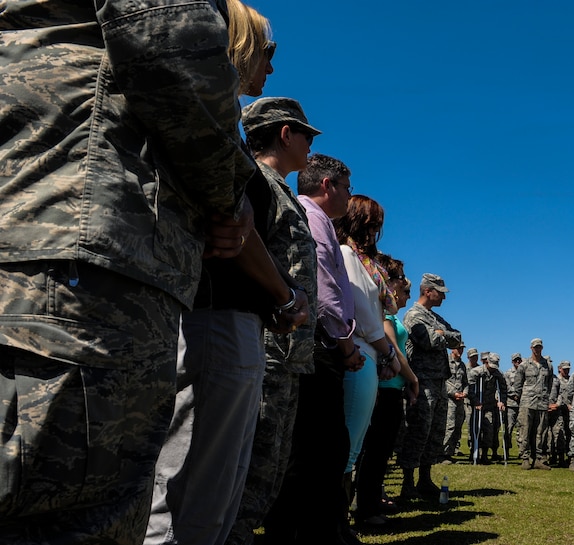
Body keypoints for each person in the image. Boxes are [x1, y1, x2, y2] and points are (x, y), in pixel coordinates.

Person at [0, 1, 267, 542]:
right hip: (81, 232)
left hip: (46, 215)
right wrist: (229, 196)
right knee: (76, 500)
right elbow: (173, 42)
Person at [145, 5, 314, 543]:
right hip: (218, 316)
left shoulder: (228, 142)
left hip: (234, 321)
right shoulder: (221, 140)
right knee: (192, 493)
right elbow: (235, 232)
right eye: (266, 54)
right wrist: (285, 297)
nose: (268, 70)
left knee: (217, 494)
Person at [225, 97, 322, 545]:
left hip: (286, 358)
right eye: (306, 135)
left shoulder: (280, 190)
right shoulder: (257, 183)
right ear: (286, 134)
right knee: (245, 476)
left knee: (268, 474)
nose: (310, 146)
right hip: (264, 351)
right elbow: (240, 250)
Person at [263, 153, 364, 544]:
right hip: (319, 347)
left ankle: (310, 529)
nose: (349, 196)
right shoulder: (313, 221)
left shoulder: (318, 221)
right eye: (346, 188)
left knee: (320, 446)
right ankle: (304, 531)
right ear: (328, 186)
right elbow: (324, 291)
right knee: (317, 449)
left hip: (319, 345)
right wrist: (345, 345)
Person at [335, 195, 401, 522]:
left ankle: (340, 518)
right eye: (373, 224)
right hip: (361, 352)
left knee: (354, 444)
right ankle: (336, 519)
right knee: (347, 447)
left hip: (369, 354)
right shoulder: (348, 255)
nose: (376, 232)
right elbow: (362, 312)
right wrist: (390, 353)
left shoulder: (367, 263)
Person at [353, 256, 418, 526]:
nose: (404, 287)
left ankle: (371, 500)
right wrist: (413, 380)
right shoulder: (388, 315)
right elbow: (394, 351)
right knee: (375, 450)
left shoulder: (390, 313)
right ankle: (366, 508)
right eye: (401, 282)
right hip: (385, 386)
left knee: (381, 450)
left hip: (392, 386)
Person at [399, 273, 462, 498]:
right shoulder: (414, 315)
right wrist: (443, 336)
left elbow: (458, 337)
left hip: (439, 383)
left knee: (434, 433)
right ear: (428, 291)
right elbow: (427, 341)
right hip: (422, 383)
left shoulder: (433, 318)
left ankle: (424, 479)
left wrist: (441, 333)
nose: (443, 298)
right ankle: (407, 483)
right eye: (440, 293)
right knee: (418, 432)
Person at [512, 338, 554, 470]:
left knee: (540, 432)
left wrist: (546, 398)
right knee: (525, 431)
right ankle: (525, 458)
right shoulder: (524, 365)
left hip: (542, 403)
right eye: (535, 347)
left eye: (539, 347)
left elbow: (550, 384)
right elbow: (517, 385)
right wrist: (521, 400)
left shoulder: (548, 365)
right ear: (531, 348)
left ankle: (537, 459)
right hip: (527, 403)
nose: (537, 349)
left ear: (542, 348)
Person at [467, 353, 508, 464]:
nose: (493, 368)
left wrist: (501, 401)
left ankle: (485, 454)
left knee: (489, 429)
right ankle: (473, 453)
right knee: (475, 429)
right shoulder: (476, 372)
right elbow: (470, 389)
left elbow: (503, 389)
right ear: (486, 363)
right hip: (477, 404)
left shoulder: (498, 374)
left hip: (489, 405)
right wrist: (475, 401)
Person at [443, 344, 469, 463]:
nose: (461, 350)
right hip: (449, 399)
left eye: (462, 348)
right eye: (458, 348)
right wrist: (453, 393)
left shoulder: (462, 365)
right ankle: (443, 453)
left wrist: (465, 393)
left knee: (457, 427)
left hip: (460, 400)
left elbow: (466, 382)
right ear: (452, 349)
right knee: (449, 426)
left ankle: (450, 453)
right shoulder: (446, 361)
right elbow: (444, 381)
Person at [547, 360, 572, 468]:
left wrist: (557, 404)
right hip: (545, 410)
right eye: (564, 369)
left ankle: (561, 457)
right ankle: (548, 456)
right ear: (559, 369)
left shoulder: (557, 380)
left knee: (559, 433)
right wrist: (546, 406)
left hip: (559, 410)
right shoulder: (543, 378)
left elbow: (560, 394)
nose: (566, 371)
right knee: (546, 435)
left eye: (568, 369)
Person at [503, 353, 524, 458]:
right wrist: (515, 395)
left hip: (522, 404)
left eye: (519, 360)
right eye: (516, 360)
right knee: (509, 428)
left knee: (521, 429)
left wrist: (520, 396)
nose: (518, 362)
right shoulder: (507, 373)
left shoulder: (525, 372)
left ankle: (521, 451)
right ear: (512, 361)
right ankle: (506, 450)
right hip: (511, 405)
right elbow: (506, 386)